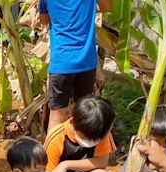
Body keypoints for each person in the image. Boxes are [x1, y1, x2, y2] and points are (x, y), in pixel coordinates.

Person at [38, 0, 112, 131]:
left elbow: (44, 19)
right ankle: (83, 150)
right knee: (84, 113)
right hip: (86, 63)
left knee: (56, 116)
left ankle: (51, 151)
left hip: (62, 62)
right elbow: (106, 6)